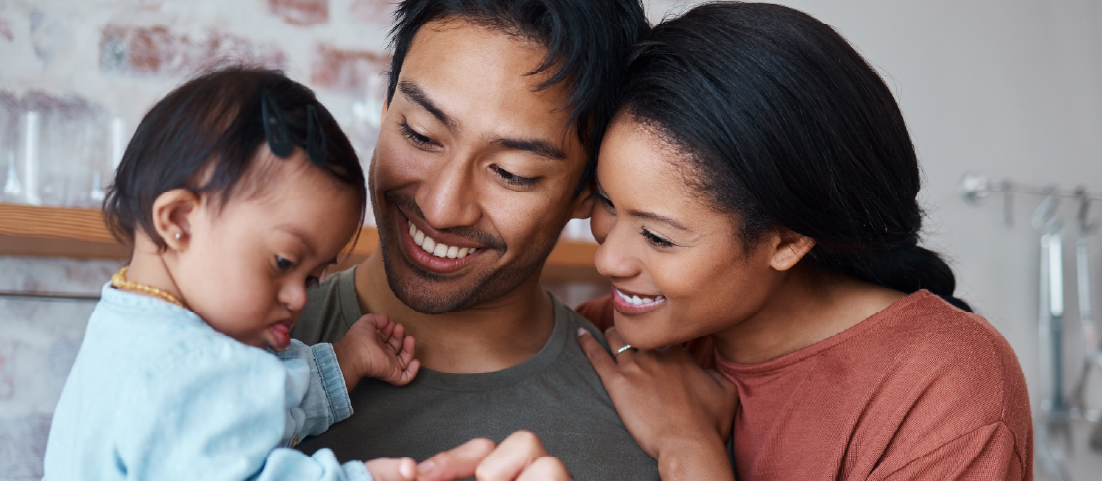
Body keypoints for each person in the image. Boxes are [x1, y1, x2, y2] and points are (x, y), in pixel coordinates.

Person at [573, 3, 1034, 480]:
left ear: (788, 242)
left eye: (657, 237)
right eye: (607, 202)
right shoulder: (606, 333)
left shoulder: (940, 387)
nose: (608, 260)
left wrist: (688, 448)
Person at [289, 0, 659, 478]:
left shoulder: (659, 432)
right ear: (386, 107)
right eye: (420, 134)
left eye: (511, 173)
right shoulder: (224, 348)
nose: (441, 209)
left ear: (589, 192)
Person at [43, 67, 427, 480]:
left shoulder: (130, 329)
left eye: (311, 278)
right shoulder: (185, 366)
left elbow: (242, 410)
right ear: (180, 220)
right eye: (284, 262)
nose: (299, 297)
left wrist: (345, 361)